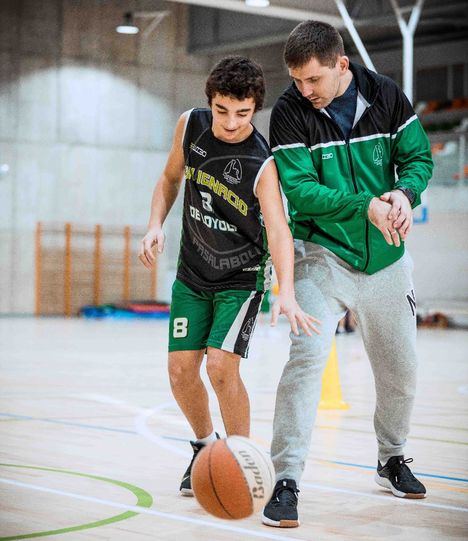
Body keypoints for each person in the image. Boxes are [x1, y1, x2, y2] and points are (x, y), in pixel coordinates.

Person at [262, 21, 433, 528]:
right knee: (306, 361)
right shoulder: (291, 114)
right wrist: (367, 206)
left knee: (401, 371)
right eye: (296, 80)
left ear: (341, 65)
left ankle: (392, 458)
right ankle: (287, 478)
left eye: (313, 80)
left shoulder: (386, 96)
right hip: (320, 255)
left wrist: (404, 194)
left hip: (386, 259)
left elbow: (418, 158)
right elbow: (300, 192)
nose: (303, 91)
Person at [139, 56, 320, 497]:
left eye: (242, 113)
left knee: (221, 367)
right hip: (192, 272)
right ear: (210, 103)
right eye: (222, 111)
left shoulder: (263, 160)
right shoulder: (190, 126)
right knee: (181, 371)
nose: (232, 122)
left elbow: (279, 229)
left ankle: (242, 457)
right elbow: (168, 178)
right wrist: (154, 224)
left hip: (241, 277)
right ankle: (204, 447)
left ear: (254, 109)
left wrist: (287, 291)